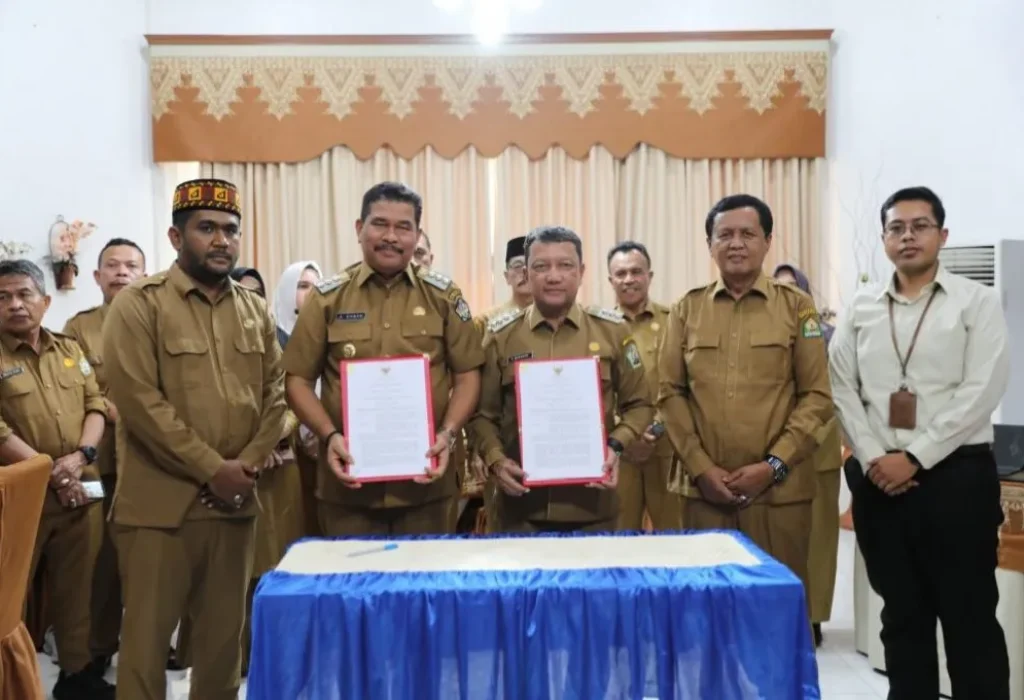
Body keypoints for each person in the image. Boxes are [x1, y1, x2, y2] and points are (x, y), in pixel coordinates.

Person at [103, 178, 287, 700]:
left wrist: (245, 467)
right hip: (159, 509)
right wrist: (214, 469)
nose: (222, 240)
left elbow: (276, 394)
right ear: (176, 236)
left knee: (223, 649)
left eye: (231, 229)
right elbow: (140, 404)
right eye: (207, 228)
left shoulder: (254, 309)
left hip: (234, 506)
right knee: (145, 648)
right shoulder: (139, 305)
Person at [829, 186, 1010, 699]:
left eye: (920, 226)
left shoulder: (977, 301)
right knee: (902, 620)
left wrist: (915, 456)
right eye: (896, 228)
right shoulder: (861, 307)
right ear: (884, 238)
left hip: (956, 479)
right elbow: (841, 387)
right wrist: (874, 458)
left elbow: (982, 389)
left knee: (970, 619)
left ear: (942, 235)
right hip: (880, 484)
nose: (907, 236)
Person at [282, 181, 483, 535]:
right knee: (350, 572)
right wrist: (329, 436)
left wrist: (448, 433)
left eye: (403, 227)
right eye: (380, 224)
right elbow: (297, 380)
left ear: (416, 235)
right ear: (359, 229)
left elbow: (468, 375)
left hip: (428, 486)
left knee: (426, 573)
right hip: (348, 487)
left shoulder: (444, 297)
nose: (391, 236)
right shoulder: (327, 299)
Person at [657, 194, 833, 591]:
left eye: (748, 234)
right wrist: (701, 468)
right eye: (725, 235)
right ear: (710, 244)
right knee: (705, 604)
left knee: (774, 603)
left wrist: (773, 466)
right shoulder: (686, 309)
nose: (736, 244)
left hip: (779, 493)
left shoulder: (797, 307)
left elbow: (817, 397)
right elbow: (669, 393)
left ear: (767, 241)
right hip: (702, 492)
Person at [469, 226, 653, 532]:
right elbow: (482, 415)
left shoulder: (612, 331)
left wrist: (616, 445)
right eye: (541, 266)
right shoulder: (501, 336)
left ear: (581, 272)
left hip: (594, 507)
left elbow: (640, 404)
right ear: (526, 273)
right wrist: (496, 460)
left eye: (565, 265)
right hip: (520, 510)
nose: (553, 276)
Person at [0, 259, 112, 700]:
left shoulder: (68, 348)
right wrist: (48, 471)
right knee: (9, 594)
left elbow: (95, 404)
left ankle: (76, 676)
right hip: (18, 498)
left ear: (45, 301)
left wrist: (82, 456)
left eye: (24, 294)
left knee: (78, 587)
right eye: (3, 297)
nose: (15, 304)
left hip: (81, 489)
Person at [62, 238, 147, 677]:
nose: (122, 273)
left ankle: (148, 649)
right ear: (96, 277)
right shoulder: (78, 329)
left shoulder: (159, 321)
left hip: (153, 465)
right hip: (102, 464)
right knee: (100, 563)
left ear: (145, 275)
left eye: (131, 265)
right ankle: (95, 650)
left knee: (151, 562)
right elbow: (79, 391)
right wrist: (127, 416)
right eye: (112, 265)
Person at [772, 262, 843, 647]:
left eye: (794, 287)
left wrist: (809, 437)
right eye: (779, 287)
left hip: (819, 450)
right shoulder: (767, 331)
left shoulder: (829, 336)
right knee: (782, 538)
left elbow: (836, 395)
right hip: (776, 451)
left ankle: (813, 615)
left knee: (818, 540)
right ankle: (783, 611)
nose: (788, 294)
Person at [607, 240, 684, 531]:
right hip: (618, 451)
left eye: (636, 272)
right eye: (621, 273)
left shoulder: (673, 321)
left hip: (666, 447)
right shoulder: (600, 327)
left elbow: (684, 383)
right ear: (610, 280)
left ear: (649, 276)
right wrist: (625, 434)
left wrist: (656, 430)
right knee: (619, 538)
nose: (629, 279)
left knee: (674, 535)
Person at [462, 235, 534, 533]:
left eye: (530, 265)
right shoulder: (485, 324)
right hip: (500, 444)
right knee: (504, 526)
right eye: (517, 266)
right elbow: (471, 388)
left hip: (547, 439)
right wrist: (476, 449)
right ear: (506, 276)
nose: (524, 273)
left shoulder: (563, 320)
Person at [273, 261, 324, 537]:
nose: (311, 293)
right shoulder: (272, 340)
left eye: (317, 287)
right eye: (303, 286)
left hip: (326, 450)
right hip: (283, 452)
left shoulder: (329, 335)